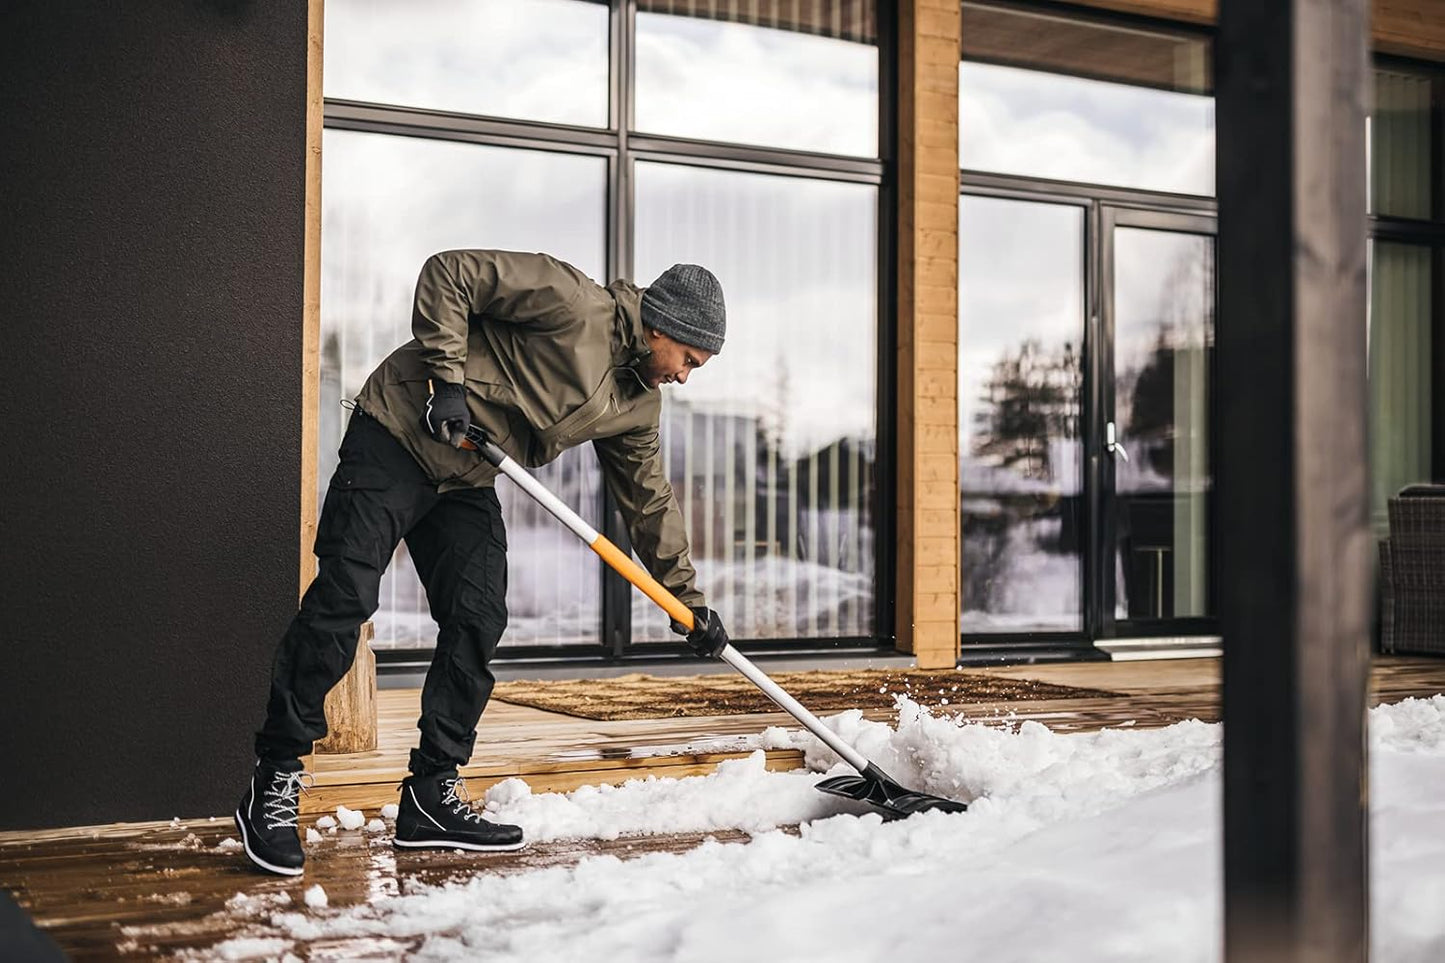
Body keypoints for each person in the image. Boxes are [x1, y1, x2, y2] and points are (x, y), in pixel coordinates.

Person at [234, 250, 731, 876]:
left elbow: (649, 499)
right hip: (398, 434)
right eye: (688, 360)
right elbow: (449, 274)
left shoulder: (638, 406)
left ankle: (430, 795)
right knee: (344, 602)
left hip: (466, 475)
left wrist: (686, 600)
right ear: (661, 326)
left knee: (477, 615)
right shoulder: (574, 302)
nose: (686, 377)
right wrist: (448, 384)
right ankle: (274, 776)